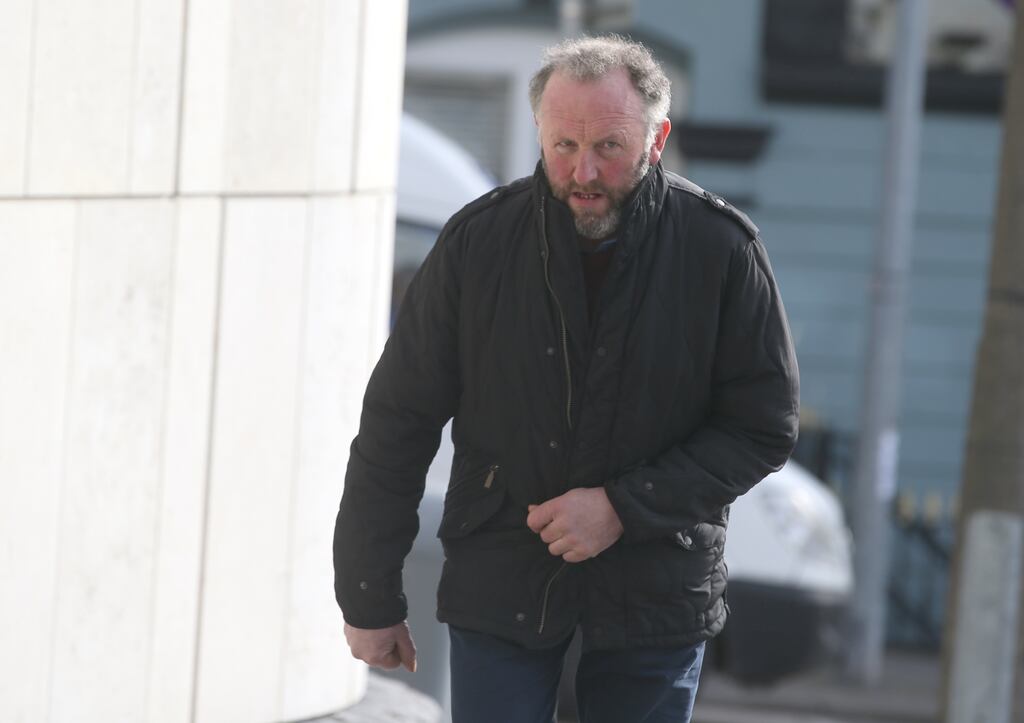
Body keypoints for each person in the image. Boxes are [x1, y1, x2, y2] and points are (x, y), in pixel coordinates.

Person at [334, 35, 799, 723]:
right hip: (501, 583)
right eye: (563, 146)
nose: (583, 170)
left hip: (656, 596)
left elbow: (762, 427)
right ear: (540, 133)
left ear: (657, 137)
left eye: (608, 147)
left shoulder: (722, 251)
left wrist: (623, 505)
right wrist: (370, 595)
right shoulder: (477, 244)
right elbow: (397, 420)